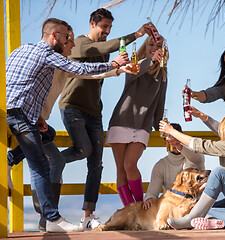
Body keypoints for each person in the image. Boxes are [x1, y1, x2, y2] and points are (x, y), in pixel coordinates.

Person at [7, 26, 136, 231]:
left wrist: (116, 71)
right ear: (54, 36)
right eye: (69, 40)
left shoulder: (26, 51)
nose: (73, 44)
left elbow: (82, 75)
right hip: (21, 115)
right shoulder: (50, 56)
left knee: (53, 150)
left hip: (29, 115)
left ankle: (46, 218)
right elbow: (81, 70)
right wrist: (114, 62)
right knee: (40, 164)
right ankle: (51, 219)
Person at [58, 8, 153, 230]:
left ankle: (87, 216)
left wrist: (120, 67)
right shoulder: (80, 43)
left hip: (94, 112)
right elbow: (101, 48)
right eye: (104, 27)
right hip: (72, 107)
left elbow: (102, 74)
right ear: (92, 24)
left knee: (97, 163)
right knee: (83, 150)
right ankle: (52, 160)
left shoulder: (106, 51)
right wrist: (136, 35)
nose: (107, 31)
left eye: (110, 28)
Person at [106, 34, 168, 207]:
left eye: (158, 46)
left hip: (143, 126)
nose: (154, 49)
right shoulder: (133, 65)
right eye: (151, 45)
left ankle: (140, 208)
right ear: (145, 46)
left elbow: (160, 101)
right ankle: (130, 212)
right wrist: (150, 60)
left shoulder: (162, 72)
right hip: (121, 120)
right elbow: (133, 74)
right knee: (121, 170)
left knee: (130, 164)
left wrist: (161, 127)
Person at [143, 123, 205, 210]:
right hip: (172, 207)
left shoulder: (193, 156)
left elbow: (198, 159)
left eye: (178, 138)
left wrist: (179, 146)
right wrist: (149, 199)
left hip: (195, 205)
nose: (174, 142)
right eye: (171, 139)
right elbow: (153, 191)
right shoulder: (160, 165)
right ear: (165, 143)